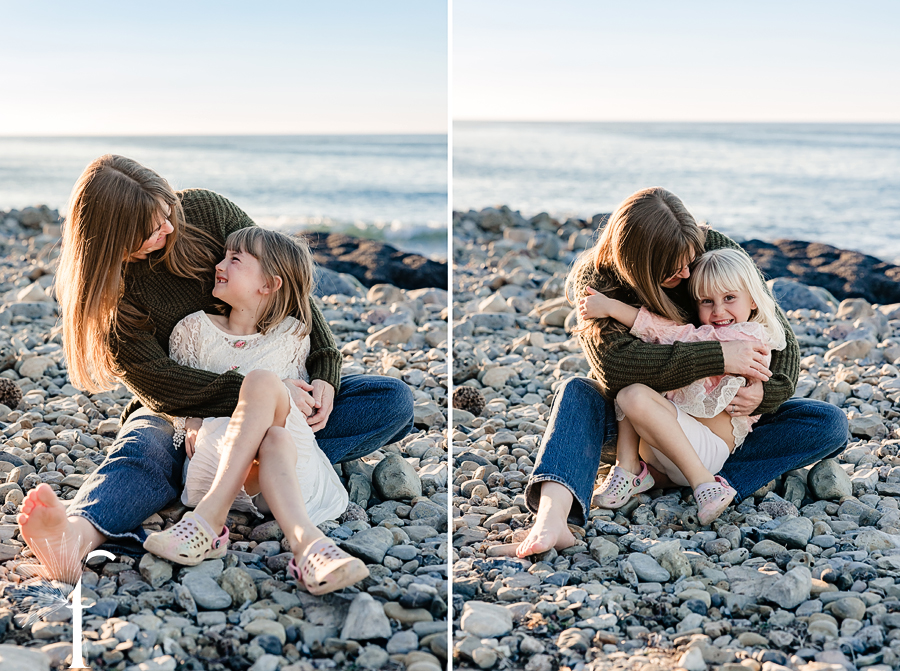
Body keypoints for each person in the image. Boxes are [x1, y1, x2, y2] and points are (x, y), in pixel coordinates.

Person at [17, 155, 413, 582]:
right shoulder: (113, 297)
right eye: (151, 228)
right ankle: (76, 534)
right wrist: (249, 399)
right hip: (181, 407)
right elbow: (160, 384)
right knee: (144, 450)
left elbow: (285, 281)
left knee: (390, 401)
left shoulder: (204, 211)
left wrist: (323, 372)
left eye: (166, 212)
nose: (168, 228)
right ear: (112, 240)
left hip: (276, 395)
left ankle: (234, 472)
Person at [517, 187, 848, 558]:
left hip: (721, 418)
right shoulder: (597, 283)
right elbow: (616, 368)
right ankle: (553, 516)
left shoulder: (712, 249)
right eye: (675, 269)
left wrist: (763, 394)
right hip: (645, 421)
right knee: (578, 390)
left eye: (691, 259)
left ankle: (719, 483)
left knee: (828, 421)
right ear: (639, 264)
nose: (689, 272)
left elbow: (782, 339)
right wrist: (720, 356)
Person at [142, 227, 368, 594]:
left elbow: (290, 412)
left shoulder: (293, 334)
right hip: (217, 458)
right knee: (265, 392)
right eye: (223, 255)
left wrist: (310, 393)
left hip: (287, 474)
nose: (219, 264)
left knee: (276, 429)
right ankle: (308, 545)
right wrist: (189, 422)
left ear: (269, 284)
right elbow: (180, 396)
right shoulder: (193, 330)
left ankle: (212, 523)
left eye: (235, 259)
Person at [583, 248, 787, 524]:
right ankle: (630, 470)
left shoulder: (748, 336)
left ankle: (704, 484)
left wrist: (612, 308)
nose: (718, 311)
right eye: (706, 301)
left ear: (752, 300)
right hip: (668, 444)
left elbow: (677, 335)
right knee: (636, 371)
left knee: (633, 395)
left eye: (729, 298)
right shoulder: (712, 331)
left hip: (707, 451)